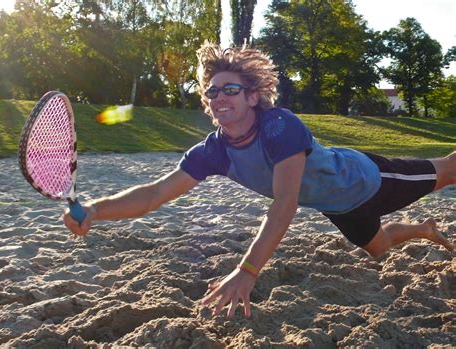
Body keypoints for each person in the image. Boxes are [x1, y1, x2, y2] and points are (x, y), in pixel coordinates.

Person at [63, 41, 455, 319]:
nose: (219, 97)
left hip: (370, 180)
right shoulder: (213, 151)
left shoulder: (279, 126)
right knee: (379, 246)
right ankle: (422, 228)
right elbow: (155, 194)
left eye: (230, 89)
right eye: (212, 91)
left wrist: (247, 270)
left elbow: (284, 204)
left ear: (252, 96)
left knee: (449, 171)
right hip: (339, 207)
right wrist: (96, 210)